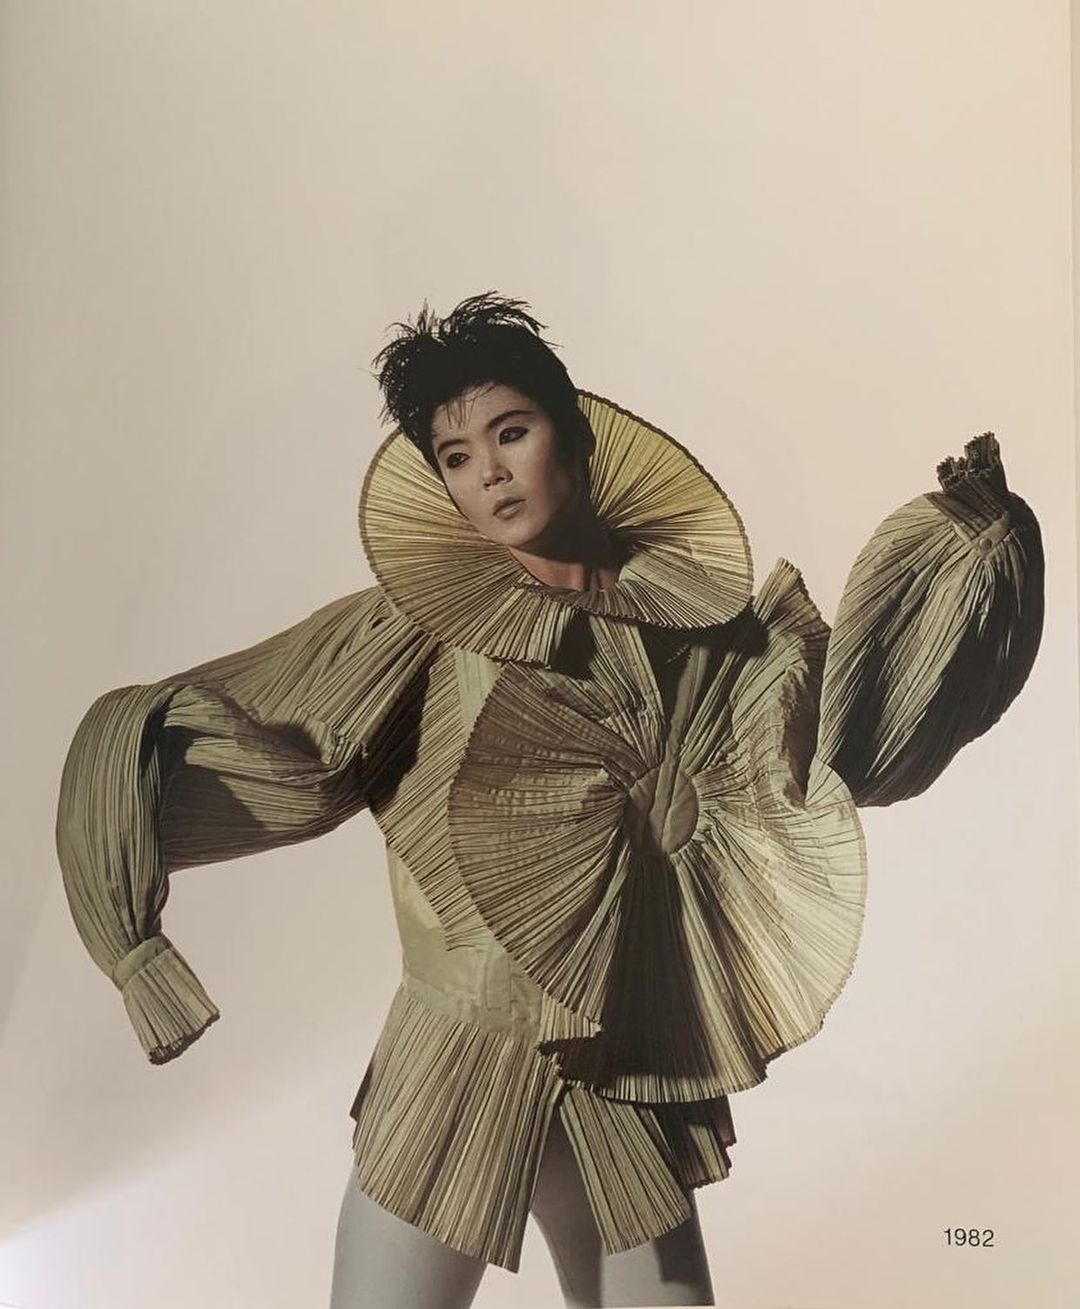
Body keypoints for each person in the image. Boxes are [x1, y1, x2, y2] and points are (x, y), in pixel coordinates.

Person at [55, 292, 1045, 1309]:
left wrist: (968, 553)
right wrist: (132, 935)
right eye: (456, 456)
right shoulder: (419, 628)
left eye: (511, 433)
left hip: (622, 1064)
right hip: (457, 1056)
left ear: (573, 437)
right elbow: (266, 735)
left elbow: (843, 747)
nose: (488, 470)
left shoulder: (697, 627)